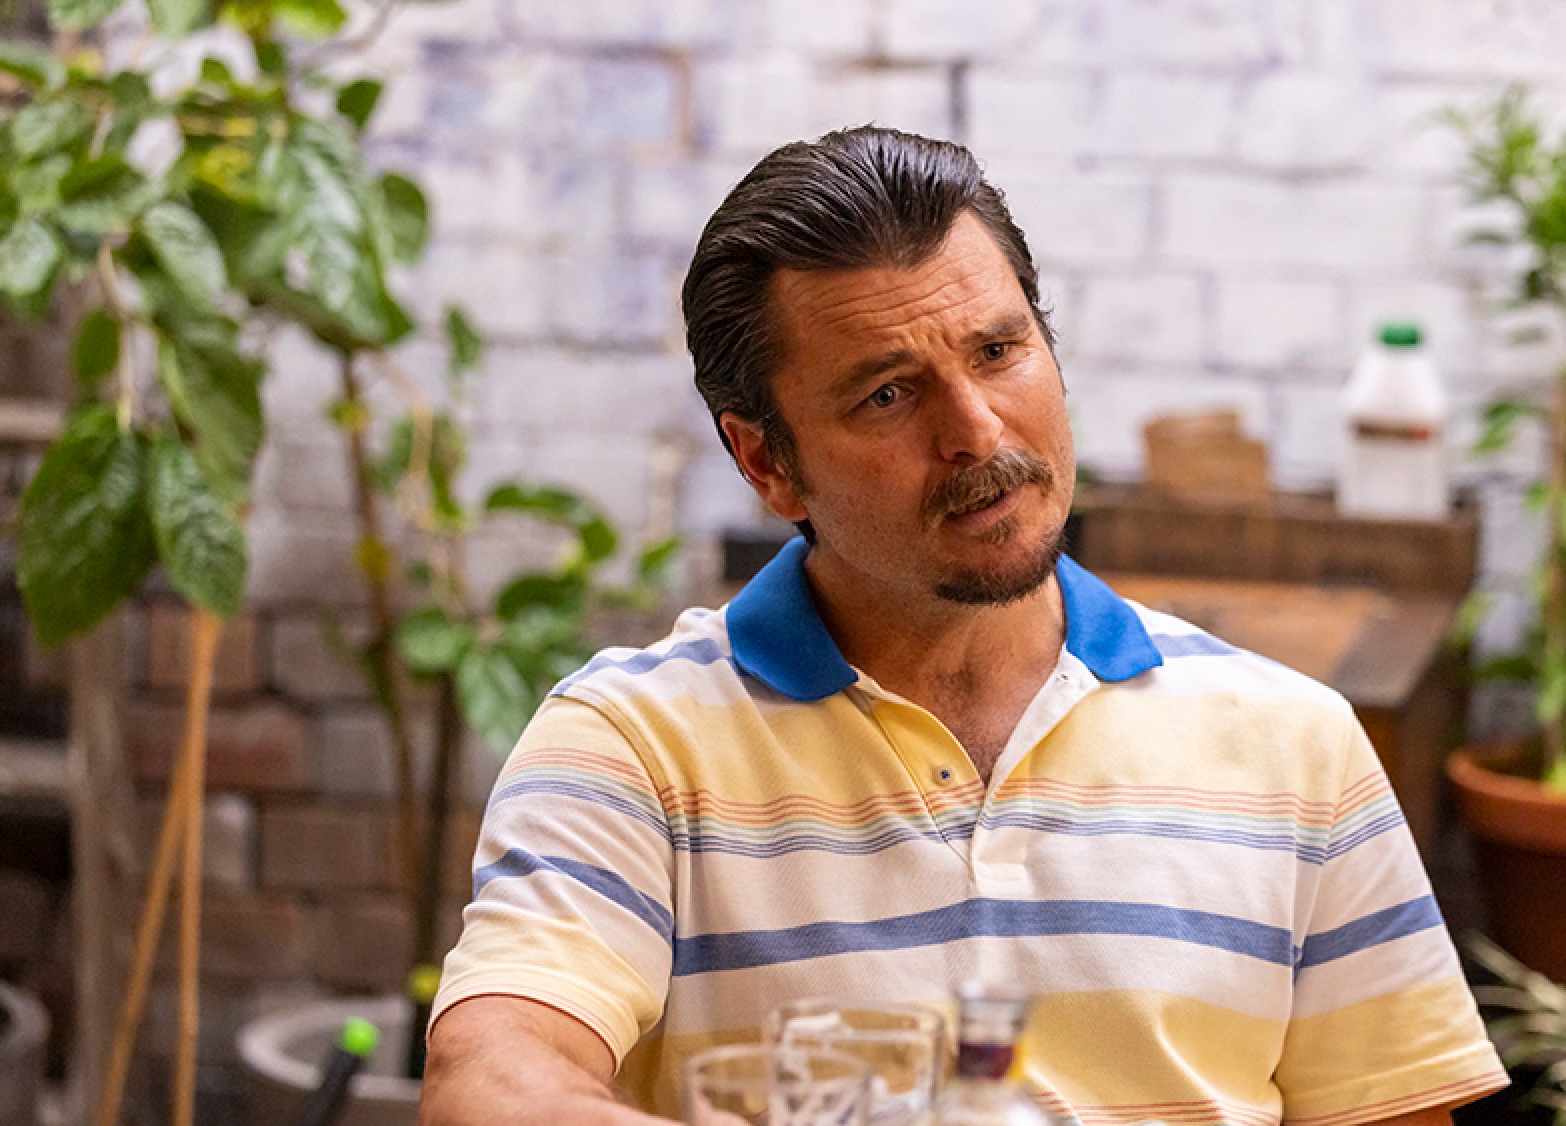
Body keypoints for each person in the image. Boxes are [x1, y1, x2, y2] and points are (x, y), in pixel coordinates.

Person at [419, 126, 1506, 1126]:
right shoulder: (630, 745)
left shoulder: (1294, 744)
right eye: (887, 395)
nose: (976, 431)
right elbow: (495, 1084)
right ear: (764, 461)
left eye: (997, 351)